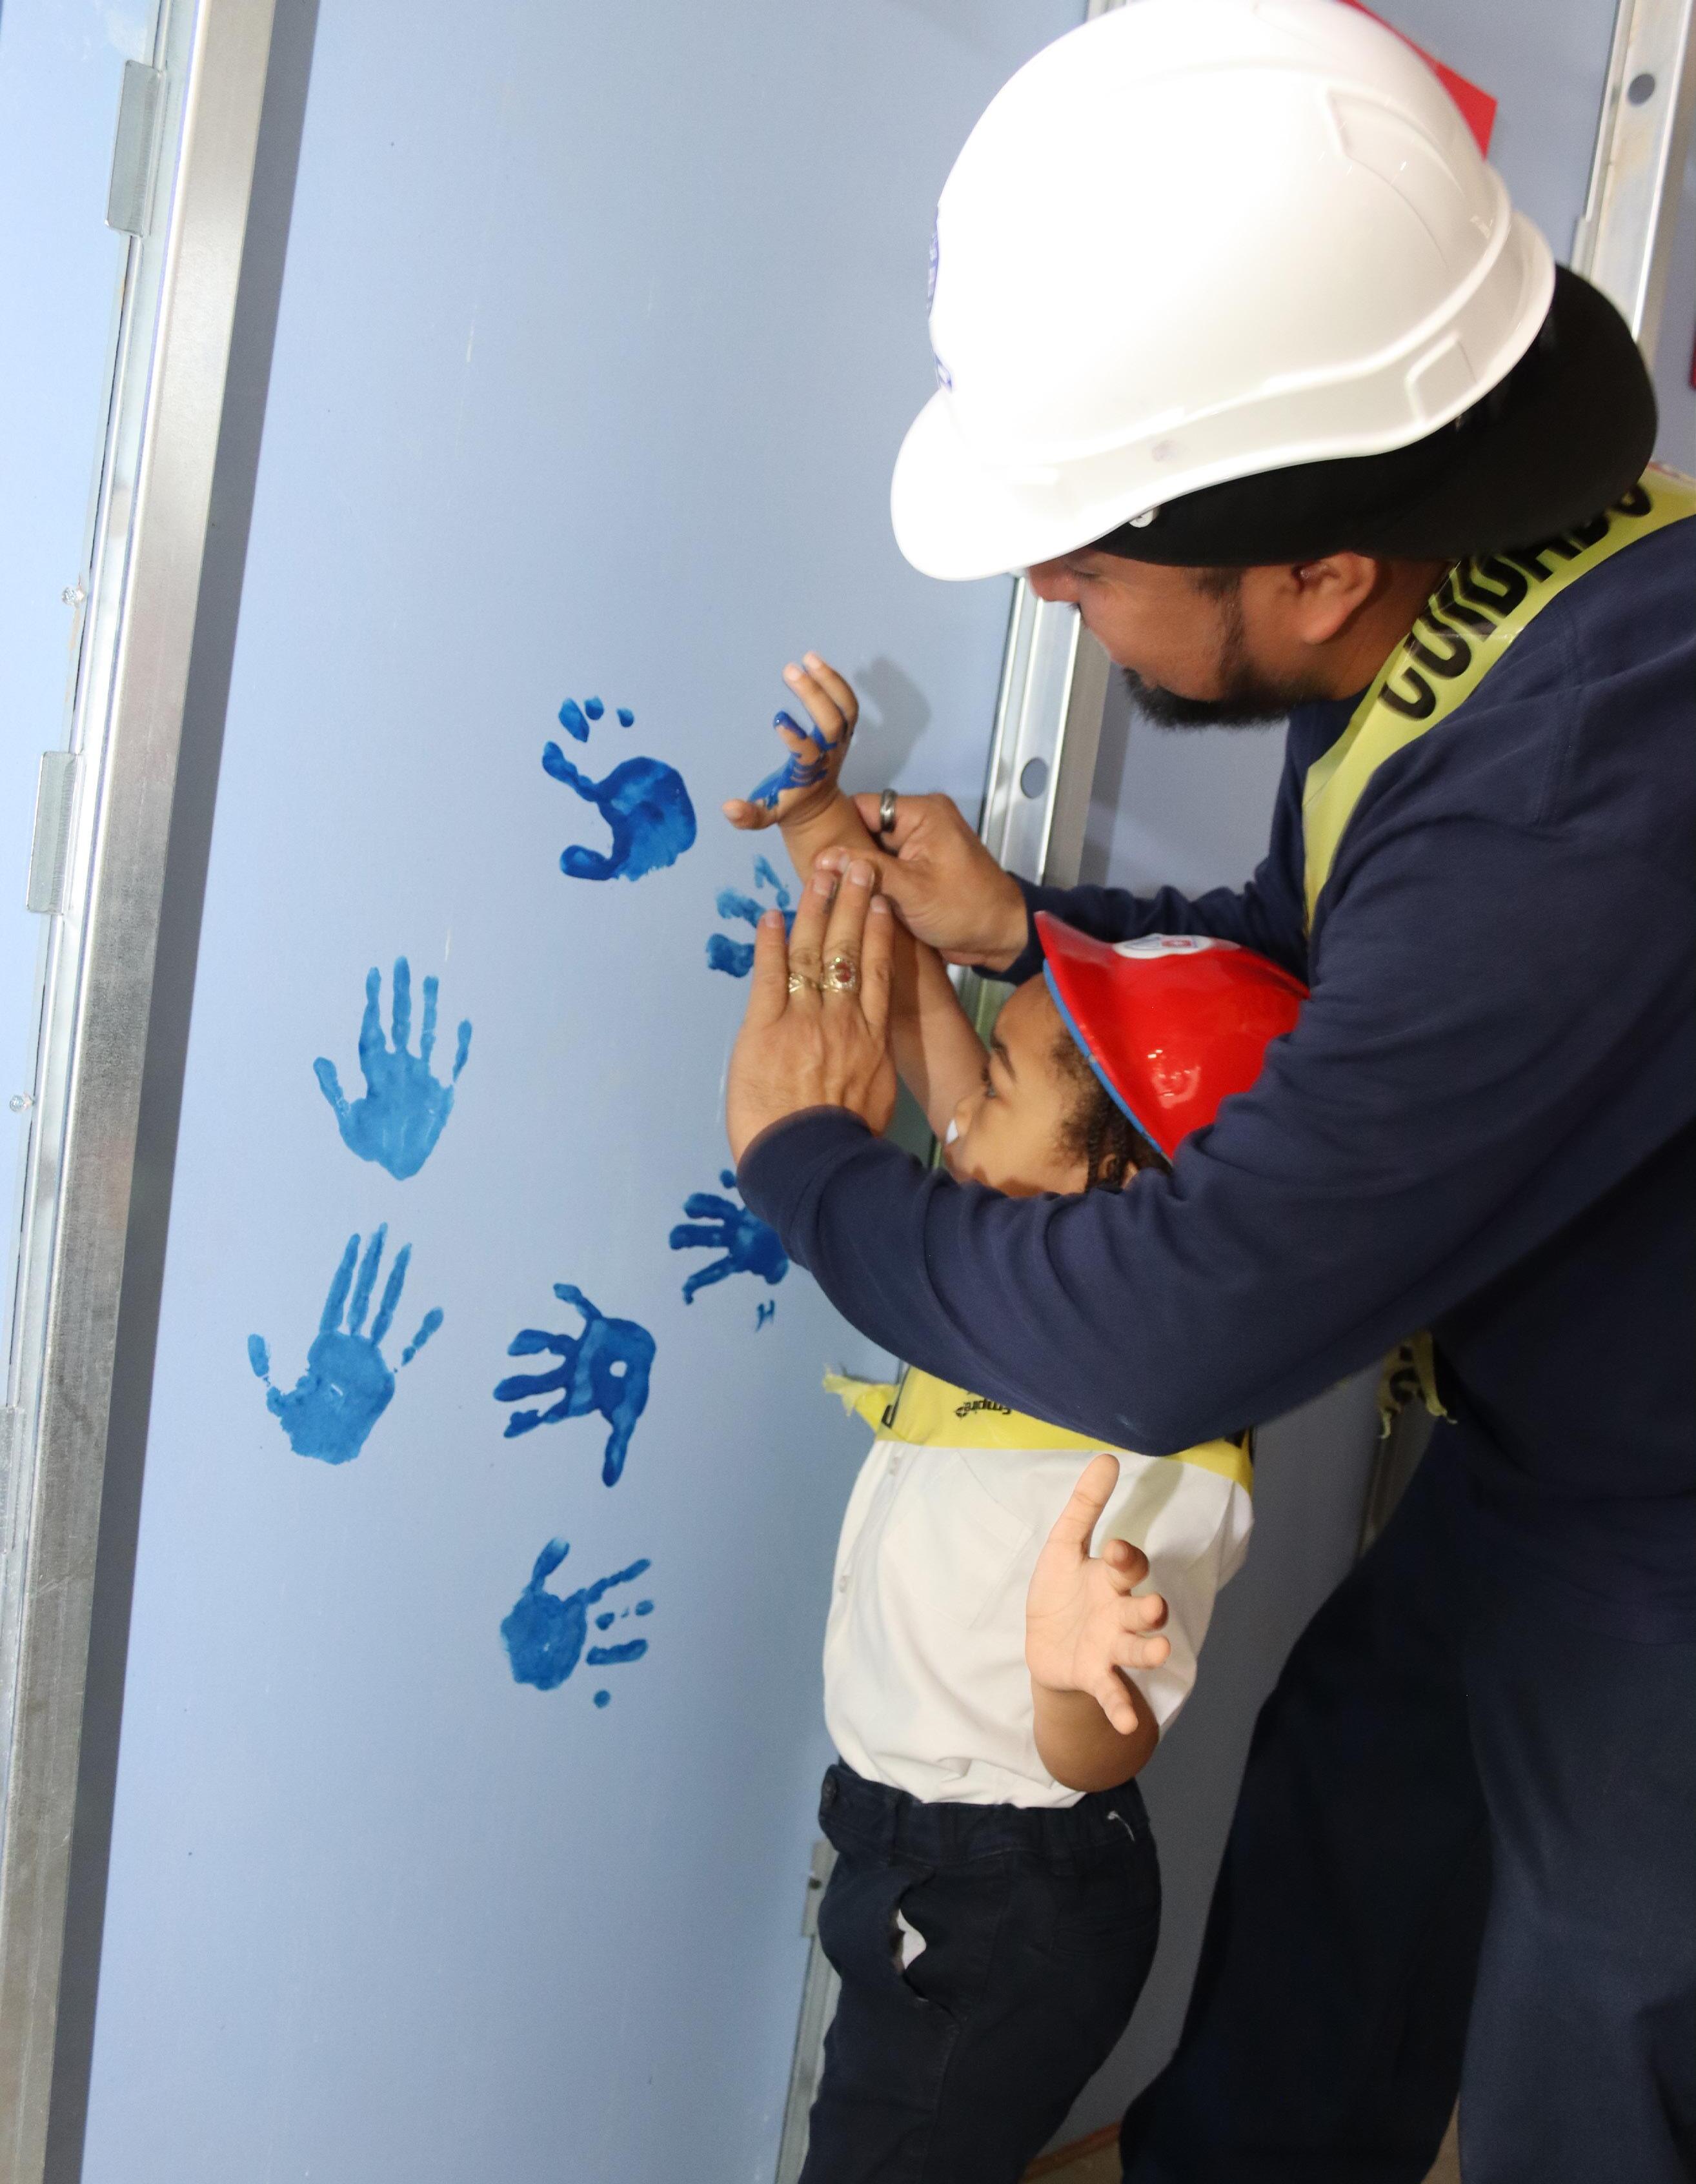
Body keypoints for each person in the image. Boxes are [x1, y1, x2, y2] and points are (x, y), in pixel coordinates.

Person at [721, 6, 1696, 2181]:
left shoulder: (1582, 786)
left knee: (1597, 2022)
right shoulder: (1469, 569)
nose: (1044, 589)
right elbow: (1331, 959)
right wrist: (1027, 926)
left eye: (1085, 562)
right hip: (1561, 1424)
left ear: (1314, 569)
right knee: (1358, 1820)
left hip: (1664, 1502)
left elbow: (1184, 1319)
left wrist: (810, 1165)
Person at [727, 683, 1299, 2182]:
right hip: (910, 1851)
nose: (956, 1112)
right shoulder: (1031, 1268)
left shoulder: (1161, 1442)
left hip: (1006, 1898)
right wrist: (820, 826)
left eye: (1003, 1088)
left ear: (1121, 1188)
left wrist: (1069, 1673)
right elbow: (925, 1025)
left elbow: (1102, 1751)